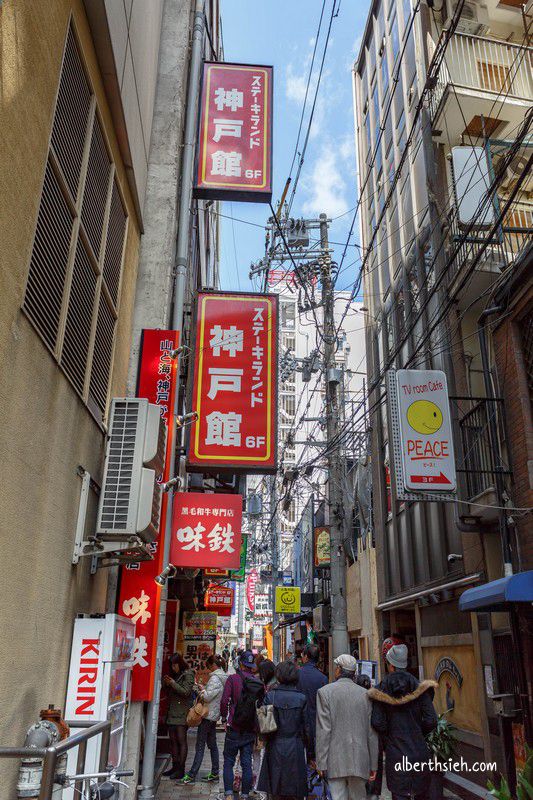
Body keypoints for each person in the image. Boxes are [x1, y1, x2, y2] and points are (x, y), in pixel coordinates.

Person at [368, 643, 438, 800]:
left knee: (399, 795)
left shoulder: (382, 689)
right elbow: (431, 720)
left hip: (396, 753)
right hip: (419, 751)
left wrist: (390, 735)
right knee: (421, 794)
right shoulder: (420, 687)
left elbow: (377, 722)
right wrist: (418, 731)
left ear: (391, 665)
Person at [316, 654, 378, 800]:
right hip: (360, 758)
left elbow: (324, 730)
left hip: (335, 760)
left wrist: (321, 762)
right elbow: (371, 733)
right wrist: (373, 764)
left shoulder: (325, 692)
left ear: (338, 670)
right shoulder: (366, 695)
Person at [257, 660, 309, 800]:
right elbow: (307, 730)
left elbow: (264, 729)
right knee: (295, 791)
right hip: (296, 748)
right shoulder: (302, 698)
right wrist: (310, 753)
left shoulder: (270, 696)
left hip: (275, 747)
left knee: (275, 790)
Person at [220, 649, 265, 800]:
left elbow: (225, 700)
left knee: (229, 761)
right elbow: (262, 706)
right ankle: (245, 795)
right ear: (252, 666)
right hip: (249, 728)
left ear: (240, 663)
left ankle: (228, 794)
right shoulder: (259, 683)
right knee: (247, 763)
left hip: (234, 726)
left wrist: (224, 719)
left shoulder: (233, 679)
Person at [179, 654, 228, 784]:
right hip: (213, 715)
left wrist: (201, 690)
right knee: (212, 745)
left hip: (207, 715)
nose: (207, 669)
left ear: (213, 665)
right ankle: (214, 773)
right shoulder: (222, 677)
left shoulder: (216, 679)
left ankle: (191, 774)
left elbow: (207, 697)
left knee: (200, 745)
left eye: (208, 666)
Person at [162, 654, 195, 779]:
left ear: (180, 663)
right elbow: (169, 690)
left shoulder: (188, 674)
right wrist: (167, 682)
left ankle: (181, 769)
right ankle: (175, 766)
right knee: (173, 741)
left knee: (181, 740)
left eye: (175, 664)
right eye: (172, 665)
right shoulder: (175, 675)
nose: (173, 667)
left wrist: (173, 683)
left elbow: (186, 692)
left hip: (181, 712)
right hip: (172, 711)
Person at [296, 643, 327, 763]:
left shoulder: (296, 674)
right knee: (313, 759)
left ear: (306, 657)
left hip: (298, 722)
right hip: (316, 723)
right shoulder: (323, 678)